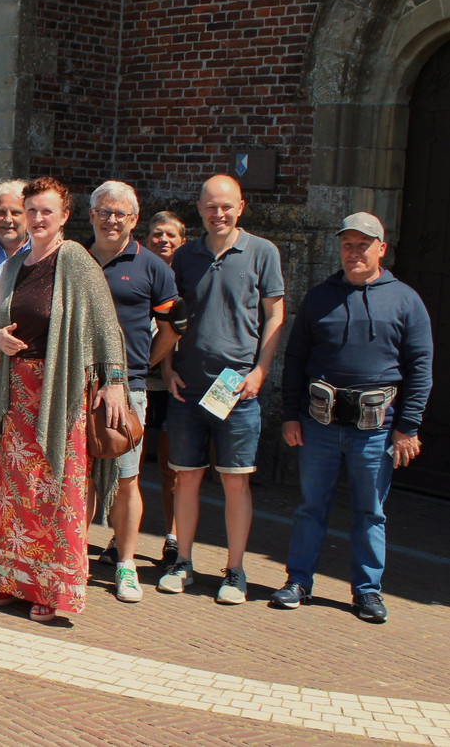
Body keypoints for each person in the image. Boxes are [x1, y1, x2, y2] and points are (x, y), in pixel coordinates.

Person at [0, 177, 126, 623]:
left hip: (59, 395)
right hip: (16, 394)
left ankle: (50, 589)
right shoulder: (16, 264)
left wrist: (114, 381)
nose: (36, 219)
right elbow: (0, 318)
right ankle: (8, 579)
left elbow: (107, 325)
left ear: (64, 216)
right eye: (31, 210)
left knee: (55, 492)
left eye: (45, 211)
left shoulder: (74, 259)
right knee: (14, 491)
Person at [270, 213, 432, 624]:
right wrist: (291, 416)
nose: (354, 252)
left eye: (364, 244)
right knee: (311, 506)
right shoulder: (320, 297)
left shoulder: (406, 300)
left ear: (381, 248)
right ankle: (298, 581)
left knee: (370, 511)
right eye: (348, 244)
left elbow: (420, 368)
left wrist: (407, 428)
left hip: (375, 430)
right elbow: (296, 359)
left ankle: (367, 591)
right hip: (319, 424)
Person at [160, 174, 284, 605]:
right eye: (211, 206)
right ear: (199, 208)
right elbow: (169, 320)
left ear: (241, 207)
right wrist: (168, 368)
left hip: (237, 389)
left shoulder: (263, 253)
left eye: (226, 206)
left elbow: (275, 315)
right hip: (189, 386)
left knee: (235, 483)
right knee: (187, 478)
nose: (219, 213)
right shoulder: (184, 257)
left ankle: (235, 571)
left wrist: (260, 371)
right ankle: (183, 563)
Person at [84, 182, 183, 603]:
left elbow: (173, 327)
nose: (111, 220)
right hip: (78, 386)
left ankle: (126, 564)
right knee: (77, 477)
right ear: (90, 216)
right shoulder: (75, 260)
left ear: (134, 220)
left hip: (129, 390)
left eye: (120, 214)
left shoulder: (153, 268)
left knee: (127, 478)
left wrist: (141, 366)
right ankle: (74, 556)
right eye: (104, 212)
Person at [143, 211, 186, 565]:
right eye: (157, 234)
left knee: (170, 468)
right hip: (139, 383)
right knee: (128, 465)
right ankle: (118, 534)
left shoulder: (186, 280)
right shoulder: (137, 274)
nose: (163, 240)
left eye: (171, 235)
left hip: (172, 386)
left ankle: (171, 537)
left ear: (182, 242)